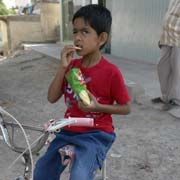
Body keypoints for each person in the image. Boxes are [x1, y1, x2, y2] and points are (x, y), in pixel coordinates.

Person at [33, 4, 131, 180]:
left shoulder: (111, 72)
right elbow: (51, 97)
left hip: (96, 134)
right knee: (42, 170)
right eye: (75, 32)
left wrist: (98, 106)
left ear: (101, 38)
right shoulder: (72, 67)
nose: (77, 38)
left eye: (85, 32)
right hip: (68, 131)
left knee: (79, 175)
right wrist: (62, 67)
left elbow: (125, 108)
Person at [152, 0, 180, 111]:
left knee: (177, 69)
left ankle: (175, 98)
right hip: (167, 38)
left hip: (178, 39)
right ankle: (165, 96)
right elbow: (168, 17)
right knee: (162, 66)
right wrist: (161, 37)